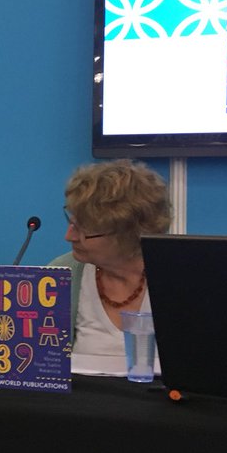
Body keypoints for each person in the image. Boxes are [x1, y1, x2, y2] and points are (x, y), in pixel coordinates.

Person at [49, 159, 172, 375]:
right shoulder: (61, 274)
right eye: (72, 223)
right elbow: (43, 368)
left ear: (127, 236)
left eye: (83, 230)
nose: (69, 236)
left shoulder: (182, 279)